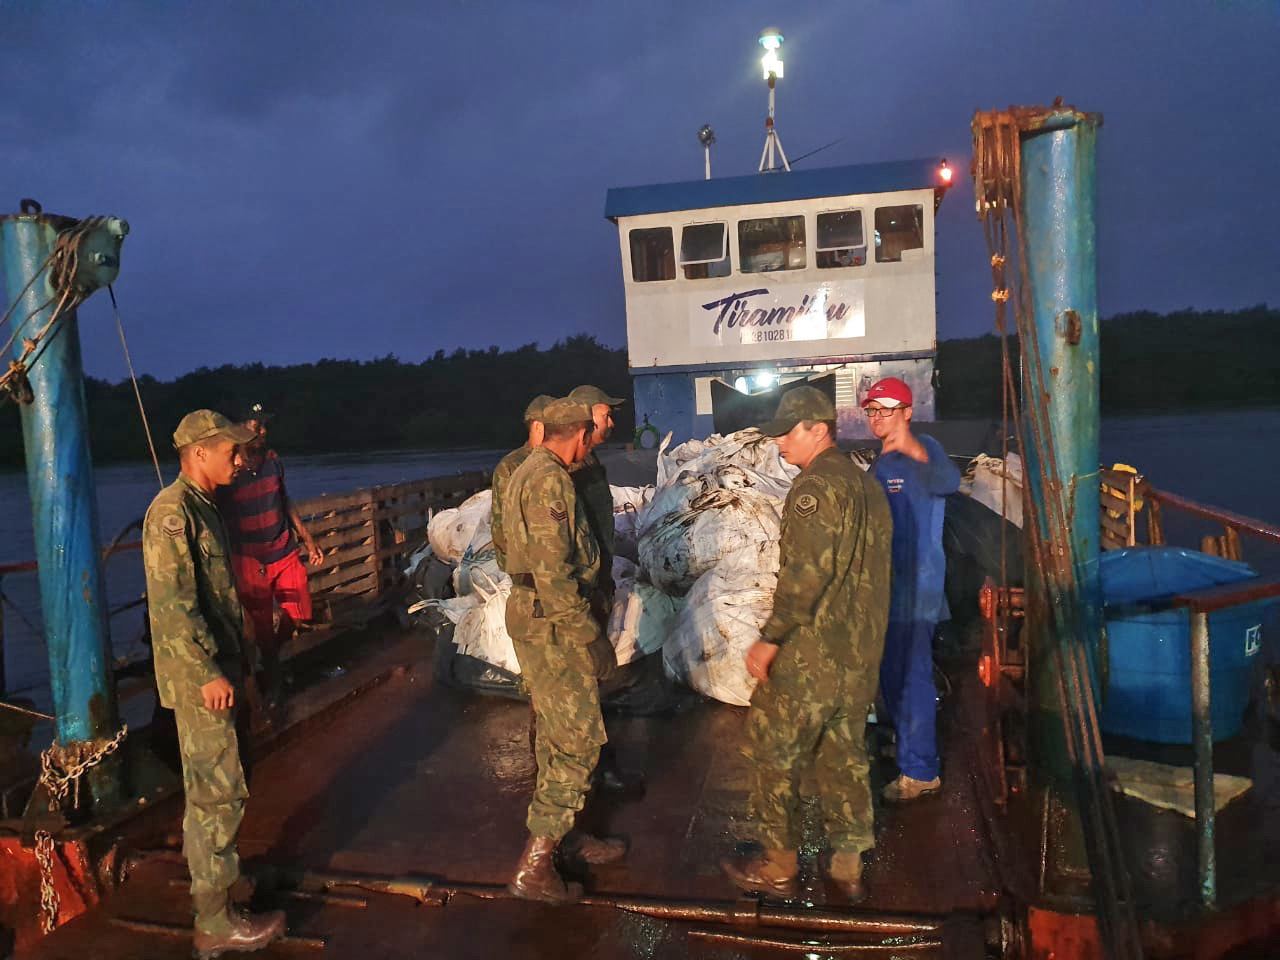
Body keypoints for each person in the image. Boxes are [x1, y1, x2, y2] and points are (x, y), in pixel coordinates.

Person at [721, 386, 892, 903]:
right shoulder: (867, 487)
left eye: (785, 433)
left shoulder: (814, 489)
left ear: (819, 428)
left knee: (770, 753)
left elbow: (804, 577)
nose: (777, 444)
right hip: (859, 656)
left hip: (813, 653)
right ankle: (847, 865)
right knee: (844, 755)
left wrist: (770, 640)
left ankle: (777, 865)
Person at [142, 410, 286, 957]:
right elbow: (174, 606)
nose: (240, 457)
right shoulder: (173, 514)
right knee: (216, 792)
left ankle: (220, 891)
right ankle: (214, 920)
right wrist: (206, 673)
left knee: (224, 782)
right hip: (201, 677)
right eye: (230, 449)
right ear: (199, 452)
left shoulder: (206, 509)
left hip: (220, 667)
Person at [502, 397, 627, 903]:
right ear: (577, 434)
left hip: (536, 616)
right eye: (588, 436)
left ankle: (565, 836)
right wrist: (589, 636)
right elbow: (555, 574)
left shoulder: (524, 469)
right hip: (553, 624)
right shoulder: (551, 478)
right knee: (578, 739)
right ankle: (534, 866)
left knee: (555, 735)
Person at [863, 377, 961, 803]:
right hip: (886, 586)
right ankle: (906, 746)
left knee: (913, 675)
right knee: (890, 673)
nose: (877, 417)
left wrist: (912, 446)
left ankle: (921, 771)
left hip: (917, 588)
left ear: (907, 412)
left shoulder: (926, 450)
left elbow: (949, 482)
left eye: (886, 410)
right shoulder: (879, 465)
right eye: (872, 411)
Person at [217, 403, 322, 710]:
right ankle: (274, 679)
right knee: (261, 624)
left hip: (283, 549)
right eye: (255, 425)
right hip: (250, 559)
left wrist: (308, 539)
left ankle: (271, 655)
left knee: (301, 609)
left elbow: (284, 500)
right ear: (238, 429)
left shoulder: (273, 462)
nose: (262, 431)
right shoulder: (228, 474)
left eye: (264, 425)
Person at [491, 394, 553, 572]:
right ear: (537, 426)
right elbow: (501, 525)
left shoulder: (560, 460)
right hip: (526, 569)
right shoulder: (511, 466)